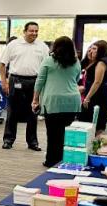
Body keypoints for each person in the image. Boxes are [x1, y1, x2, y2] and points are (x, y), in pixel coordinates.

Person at [32, 36, 81, 167]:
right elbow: (76, 79)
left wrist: (35, 99)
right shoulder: (76, 62)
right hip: (72, 100)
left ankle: (52, 160)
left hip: (53, 101)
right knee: (67, 134)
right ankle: (66, 159)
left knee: (53, 134)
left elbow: (39, 81)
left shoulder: (48, 61)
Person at [0, 22, 48, 151]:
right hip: (16, 80)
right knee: (12, 111)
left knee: (33, 111)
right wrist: (4, 82)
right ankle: (8, 140)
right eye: (31, 31)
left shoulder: (42, 46)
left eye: (36, 31)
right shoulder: (14, 45)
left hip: (35, 81)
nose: (34, 33)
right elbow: (2, 64)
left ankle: (32, 142)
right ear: (24, 31)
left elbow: (47, 67)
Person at [79, 40, 107, 134]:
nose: (91, 50)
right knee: (86, 122)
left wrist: (87, 98)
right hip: (92, 93)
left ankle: (96, 145)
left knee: (97, 124)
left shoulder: (102, 62)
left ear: (101, 51)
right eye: (90, 47)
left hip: (97, 96)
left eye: (94, 48)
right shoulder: (90, 60)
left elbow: (97, 82)